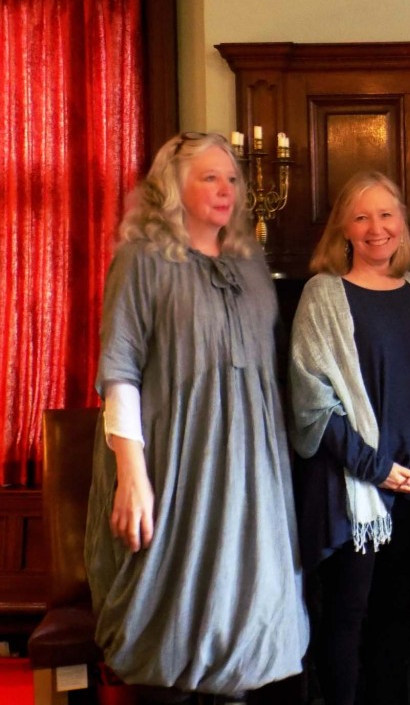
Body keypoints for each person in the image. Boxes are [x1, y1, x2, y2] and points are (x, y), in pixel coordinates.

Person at [84, 132, 309, 703]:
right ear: (172, 187)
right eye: (209, 177)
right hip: (174, 459)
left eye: (231, 179)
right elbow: (120, 369)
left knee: (246, 609)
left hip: (250, 465)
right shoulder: (141, 259)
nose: (225, 189)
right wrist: (131, 475)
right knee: (172, 624)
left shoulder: (250, 264)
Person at [288, 171, 410, 705]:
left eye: (386, 214)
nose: (375, 227)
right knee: (347, 619)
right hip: (350, 491)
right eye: (361, 217)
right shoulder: (324, 294)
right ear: (343, 228)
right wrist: (374, 466)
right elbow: (311, 403)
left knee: (397, 619)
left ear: (402, 223)